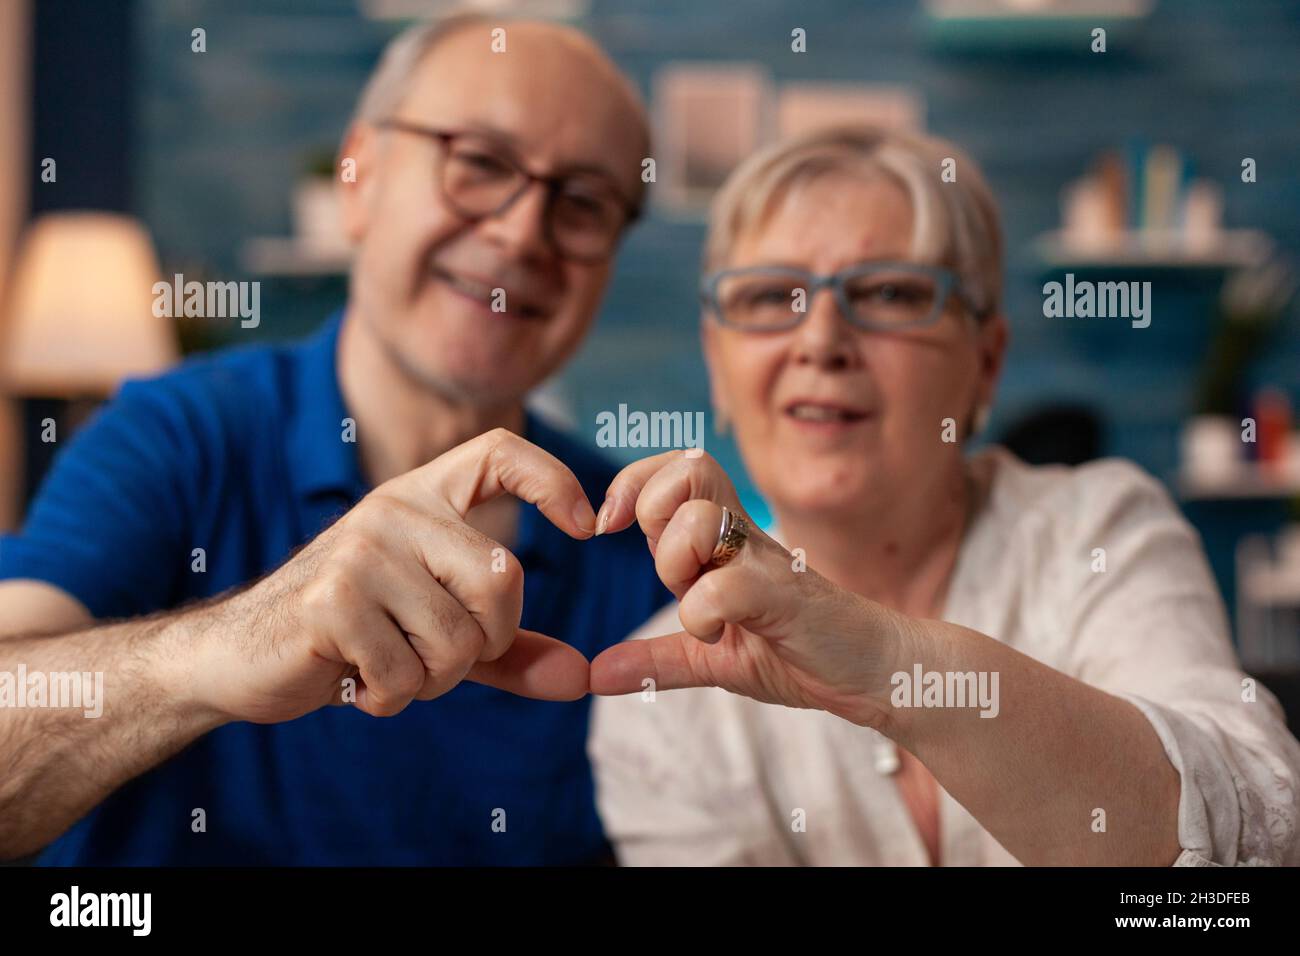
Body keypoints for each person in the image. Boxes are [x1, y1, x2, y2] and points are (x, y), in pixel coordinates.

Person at [0, 14, 668, 865]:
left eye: (582, 203)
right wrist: (229, 644)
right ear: (358, 177)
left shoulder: (628, 545)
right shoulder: (176, 436)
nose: (521, 233)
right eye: (479, 163)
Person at [587, 125, 1300, 866]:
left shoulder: (1100, 531)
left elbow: (1257, 833)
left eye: (891, 292)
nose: (821, 339)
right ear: (717, 363)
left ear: (984, 364)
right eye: (771, 295)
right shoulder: (666, 693)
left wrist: (892, 665)